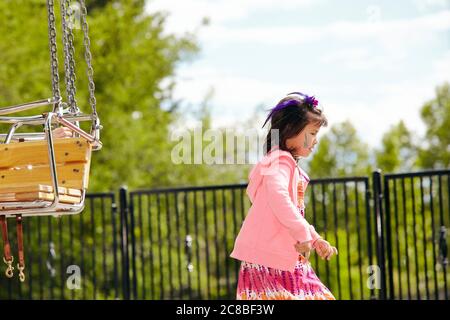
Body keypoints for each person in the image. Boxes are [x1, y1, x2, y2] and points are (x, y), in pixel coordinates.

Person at [230, 92, 338, 300]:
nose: (315, 141)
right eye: (312, 133)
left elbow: (291, 211)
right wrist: (303, 235)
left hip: (282, 257)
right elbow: (278, 197)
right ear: (290, 131)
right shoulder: (280, 162)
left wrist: (314, 239)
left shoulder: (284, 164)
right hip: (269, 261)